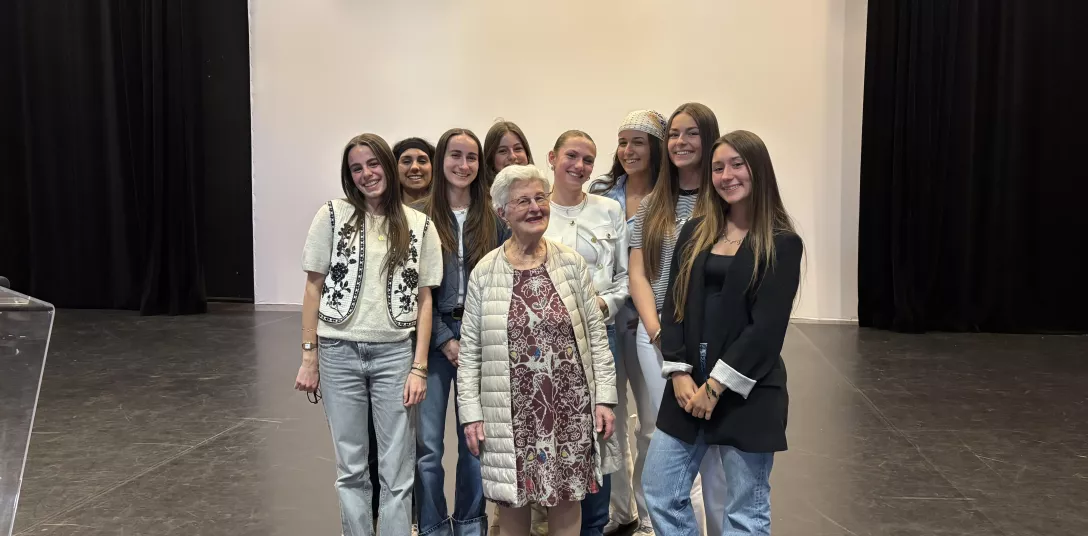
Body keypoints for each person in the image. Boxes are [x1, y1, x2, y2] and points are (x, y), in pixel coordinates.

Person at [644, 130, 801, 535]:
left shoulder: (782, 243)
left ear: (758, 169)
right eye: (717, 168)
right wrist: (679, 372)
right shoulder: (695, 231)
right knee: (659, 490)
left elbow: (765, 331)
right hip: (687, 385)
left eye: (737, 165)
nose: (726, 175)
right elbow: (673, 306)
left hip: (748, 391)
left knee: (745, 512)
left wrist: (715, 388)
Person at [457, 164, 621, 536]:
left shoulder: (571, 263)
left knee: (568, 496)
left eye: (539, 198)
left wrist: (605, 399)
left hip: (569, 407)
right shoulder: (484, 273)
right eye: (523, 201)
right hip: (509, 411)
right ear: (503, 212)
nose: (535, 207)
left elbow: (596, 338)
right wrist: (471, 414)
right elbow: (470, 354)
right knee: (512, 500)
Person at [294, 133, 442, 536]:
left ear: (388, 166)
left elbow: (424, 300)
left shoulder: (419, 225)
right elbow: (312, 289)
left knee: (397, 470)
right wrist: (309, 356)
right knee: (351, 468)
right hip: (337, 352)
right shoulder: (332, 215)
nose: (366, 174)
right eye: (356, 168)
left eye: (373, 164)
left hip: (395, 355)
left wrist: (419, 367)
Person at [628, 103, 726, 535]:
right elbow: (638, 274)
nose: (680, 143)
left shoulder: (723, 199)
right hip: (657, 337)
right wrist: (657, 332)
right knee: (670, 436)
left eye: (691, 134)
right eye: (674, 135)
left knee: (716, 450)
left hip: (709, 338)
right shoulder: (654, 203)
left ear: (709, 138)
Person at [416, 128, 505, 536]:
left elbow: (503, 280)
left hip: (481, 338)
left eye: (471, 157)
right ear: (441, 159)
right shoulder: (418, 217)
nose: (463, 165)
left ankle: (470, 523)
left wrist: (471, 339)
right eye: (455, 155)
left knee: (475, 442)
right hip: (432, 339)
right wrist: (444, 339)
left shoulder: (495, 217)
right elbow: (413, 291)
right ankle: (432, 525)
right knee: (427, 446)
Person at [543, 131, 629, 536]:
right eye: (571, 156)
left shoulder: (609, 210)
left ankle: (594, 526)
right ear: (552, 158)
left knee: (598, 432)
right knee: (550, 432)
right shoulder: (536, 207)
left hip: (598, 336)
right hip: (546, 342)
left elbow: (624, 276)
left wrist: (603, 305)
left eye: (588, 160)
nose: (579, 166)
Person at [585, 110, 667, 534]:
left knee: (652, 423)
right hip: (605, 322)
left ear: (657, 147)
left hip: (648, 323)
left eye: (638, 141)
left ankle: (651, 516)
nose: (628, 150)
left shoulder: (670, 194)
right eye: (622, 142)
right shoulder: (602, 192)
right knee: (610, 421)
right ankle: (621, 512)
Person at [482, 121, 534, 187]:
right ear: (490, 159)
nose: (512, 156)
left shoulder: (542, 190)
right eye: (503, 151)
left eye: (517, 148)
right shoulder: (480, 194)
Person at [394, 137, 436, 205]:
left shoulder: (447, 209)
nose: (414, 167)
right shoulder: (383, 210)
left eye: (422, 161)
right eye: (406, 161)